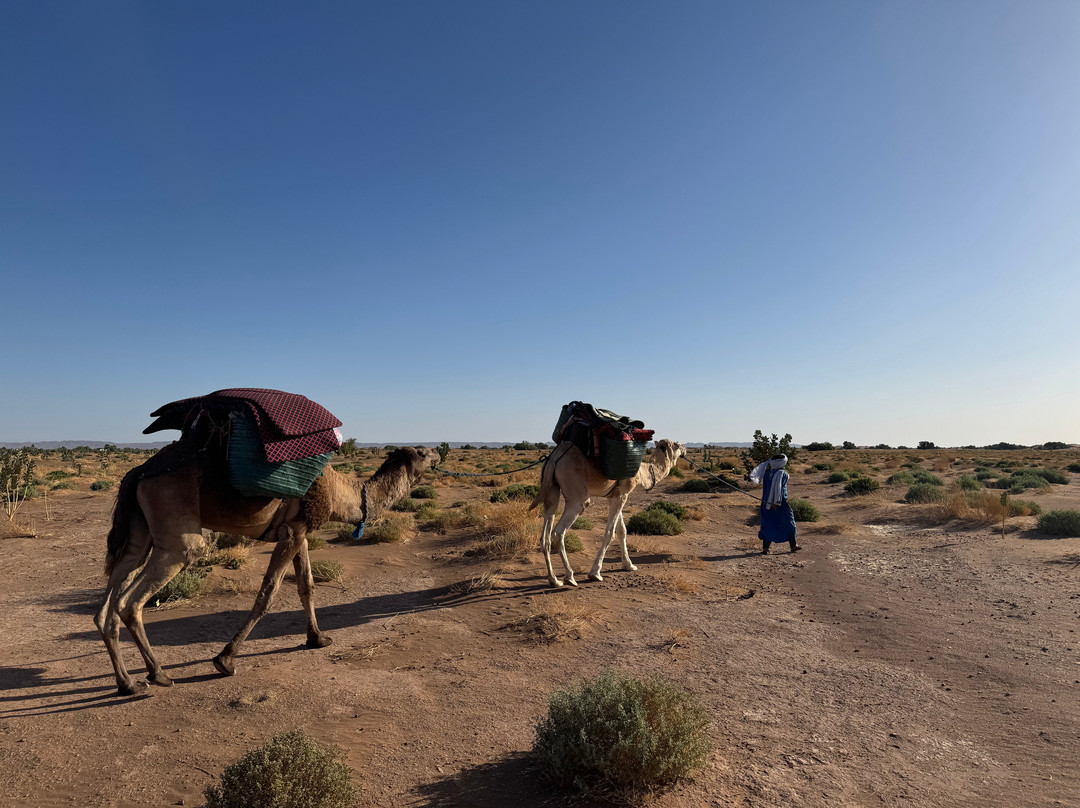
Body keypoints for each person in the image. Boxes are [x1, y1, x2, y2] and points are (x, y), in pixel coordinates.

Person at [749, 453, 801, 555]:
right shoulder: (782, 474)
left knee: (768, 524)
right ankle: (793, 546)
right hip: (779, 504)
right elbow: (778, 489)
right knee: (789, 523)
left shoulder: (767, 473)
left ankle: (765, 548)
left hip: (766, 504)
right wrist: (776, 502)